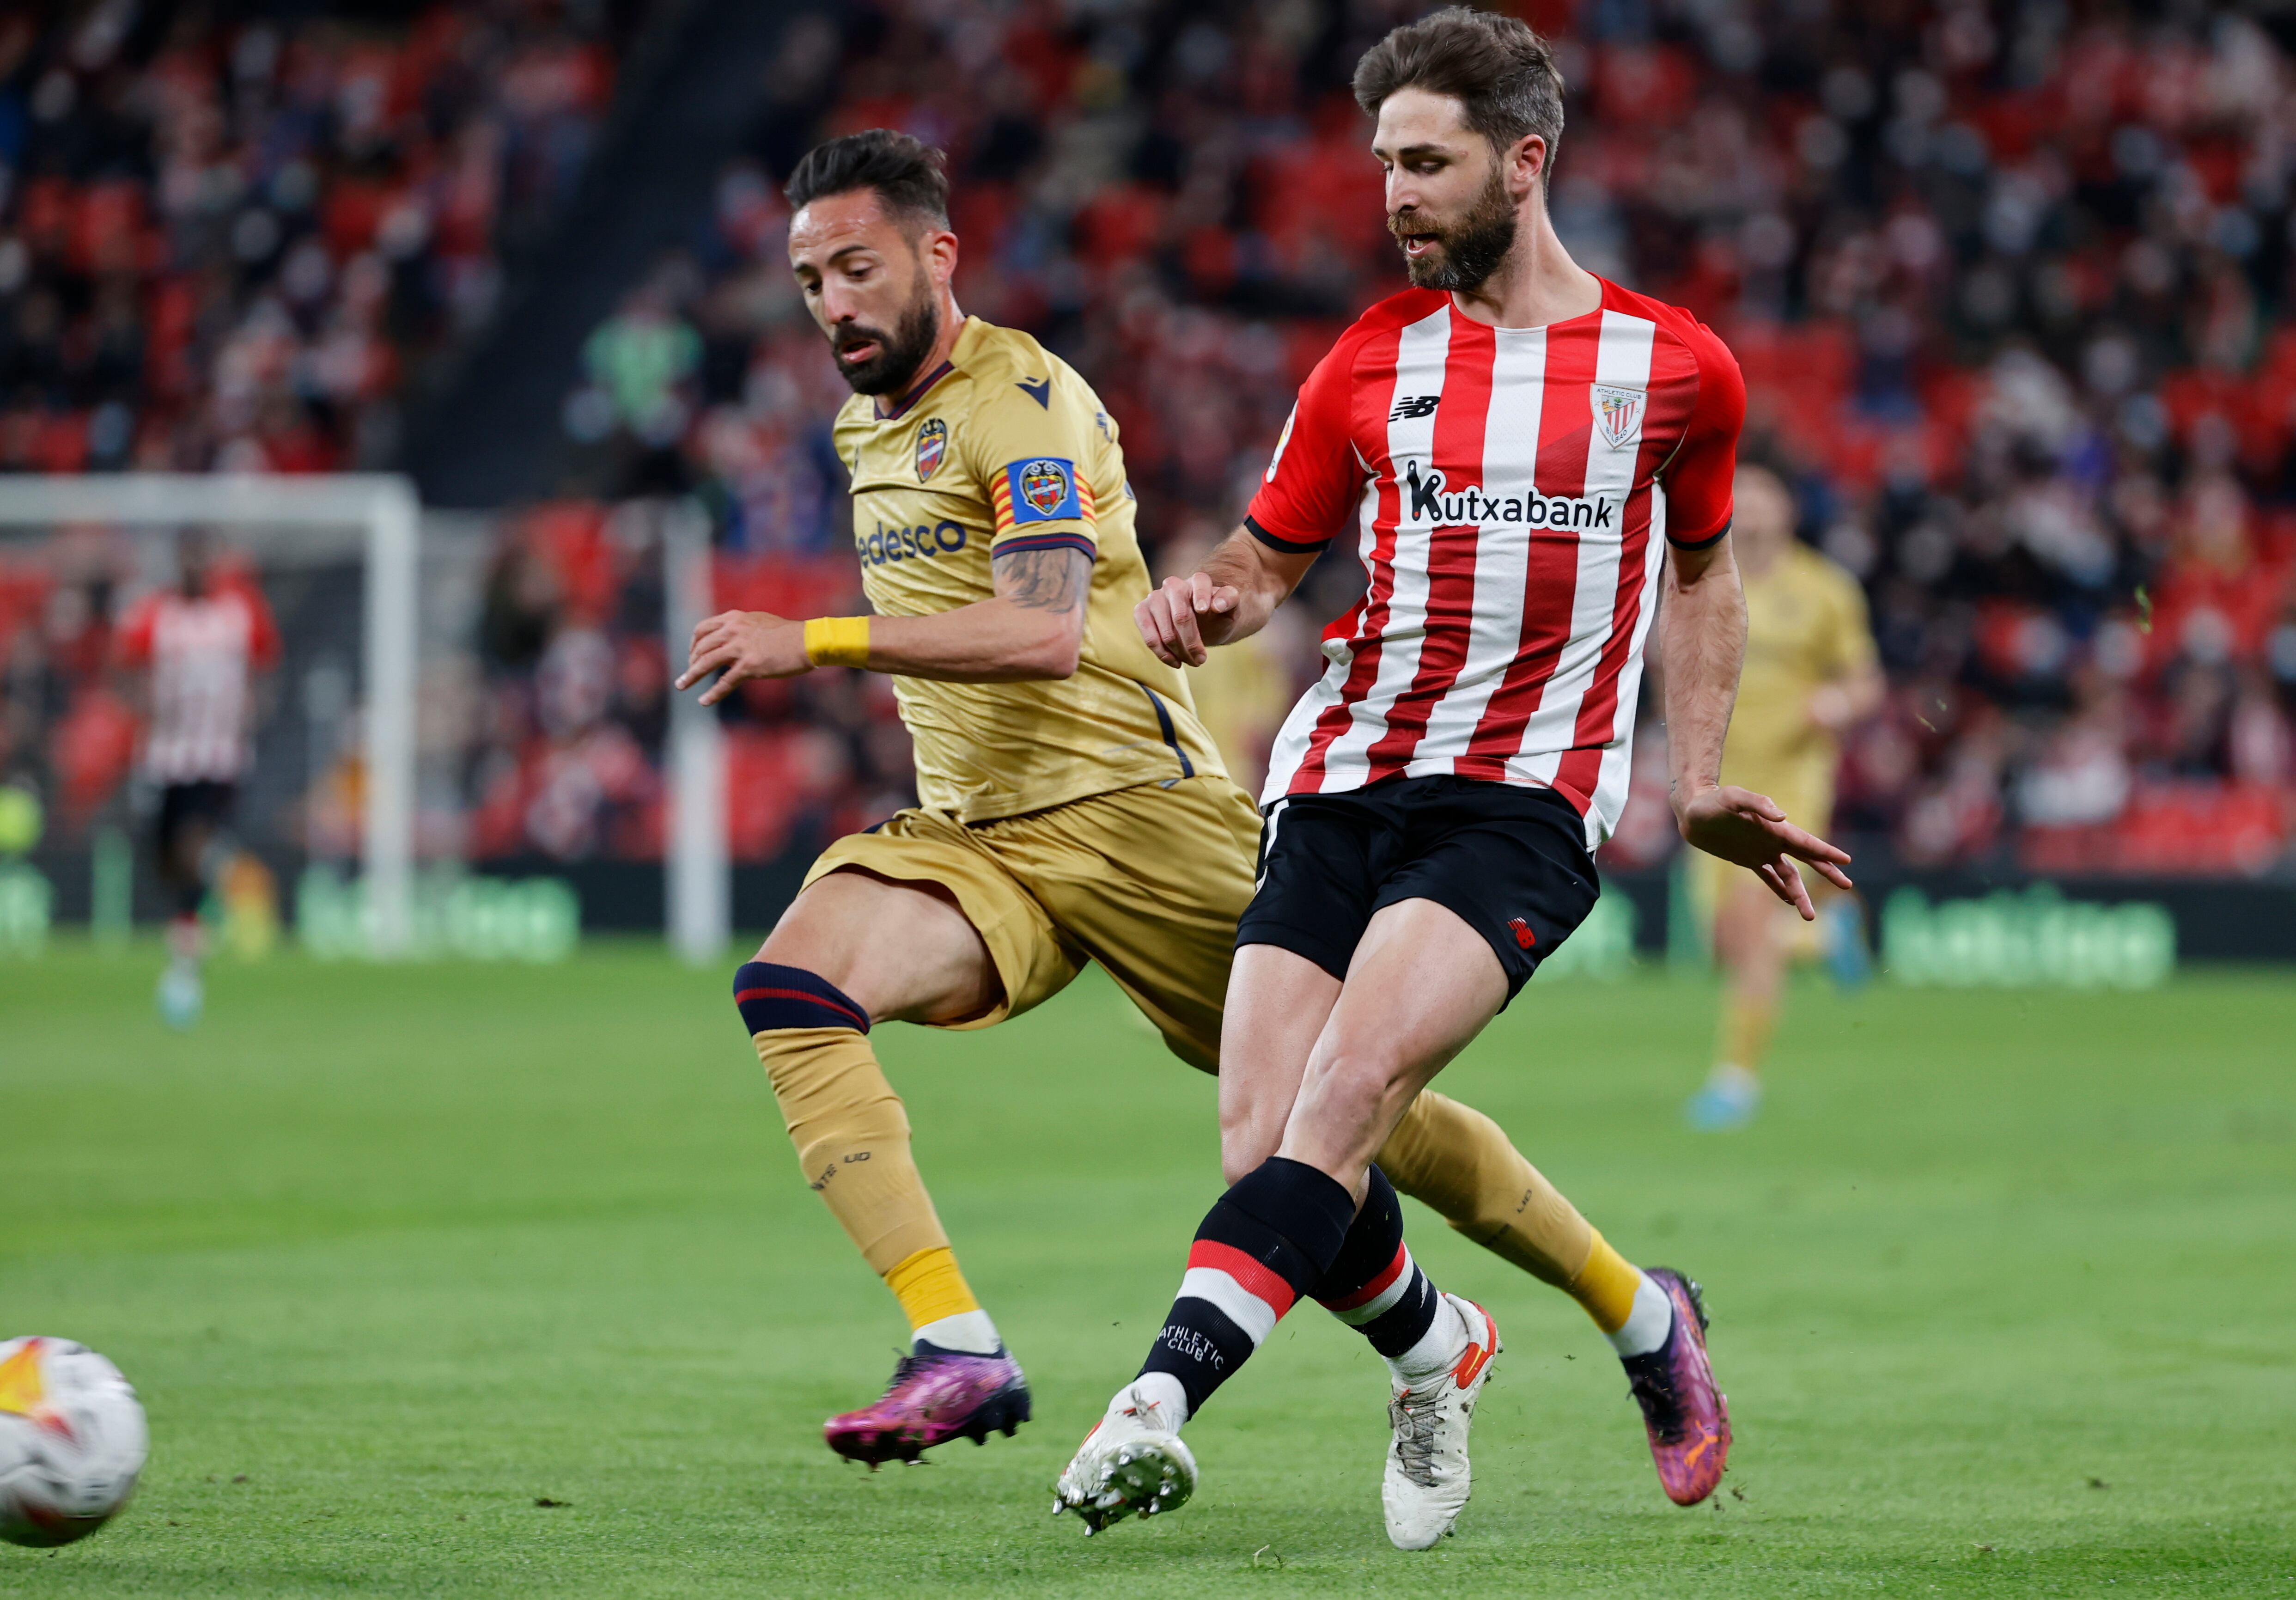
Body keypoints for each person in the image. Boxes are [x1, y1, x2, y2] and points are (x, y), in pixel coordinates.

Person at [675, 129, 1711, 1487]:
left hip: (1138, 818)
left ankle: (1633, 1309)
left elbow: (1047, 630)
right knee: (792, 986)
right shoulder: (862, 424)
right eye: (811, 280)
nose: (834, 305)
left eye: (858, 269)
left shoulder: (1022, 399)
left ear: (938, 254)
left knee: (1344, 1114)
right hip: (979, 834)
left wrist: (813, 640)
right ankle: (958, 1337)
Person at [1054, 9, 1851, 1549]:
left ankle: (1150, 1401)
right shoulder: (1369, 355)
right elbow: (1263, 552)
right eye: (1380, 166)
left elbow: (1701, 577)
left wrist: (1686, 782)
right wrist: (1215, 598)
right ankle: (1441, 1348)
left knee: (1345, 1099)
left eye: (1423, 164)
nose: (1392, 195)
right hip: (1342, 772)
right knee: (1263, 1142)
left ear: (1523, 161)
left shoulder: (1672, 368)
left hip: (1516, 805)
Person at [1685, 463, 1883, 1131]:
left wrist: (1834, 701)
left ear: (1790, 508)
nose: (1756, 506)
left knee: (1750, 923)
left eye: (1768, 493)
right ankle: (1826, 938)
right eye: (1745, 494)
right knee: (1721, 941)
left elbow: (1865, 683)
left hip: (1791, 775)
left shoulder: (1824, 588)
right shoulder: (1698, 578)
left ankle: (1735, 1079)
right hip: (1715, 774)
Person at [116, 528, 280, 1027]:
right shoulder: (156, 615)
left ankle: (237, 879)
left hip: (219, 757)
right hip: (166, 757)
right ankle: (186, 965)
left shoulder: (239, 613)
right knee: (173, 869)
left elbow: (267, 667)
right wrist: (143, 704)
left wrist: (252, 709)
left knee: (193, 845)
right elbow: (125, 671)